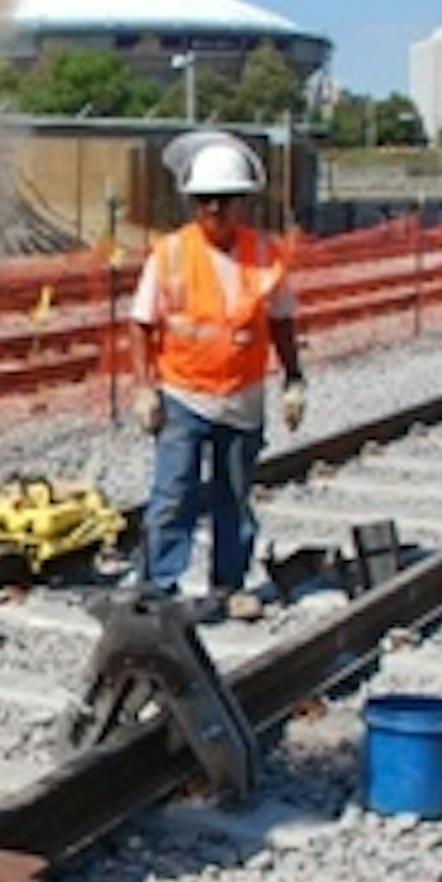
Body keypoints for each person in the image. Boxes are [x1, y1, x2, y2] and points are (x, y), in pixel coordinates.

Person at [129, 132, 307, 622]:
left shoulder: (265, 255)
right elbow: (143, 324)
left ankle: (229, 585)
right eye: (206, 200)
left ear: (241, 202)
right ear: (192, 202)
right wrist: (145, 388)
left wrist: (294, 378)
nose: (215, 209)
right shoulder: (169, 254)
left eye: (225, 200)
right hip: (184, 393)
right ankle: (158, 587)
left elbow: (282, 320)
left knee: (234, 497)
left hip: (242, 398)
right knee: (173, 496)